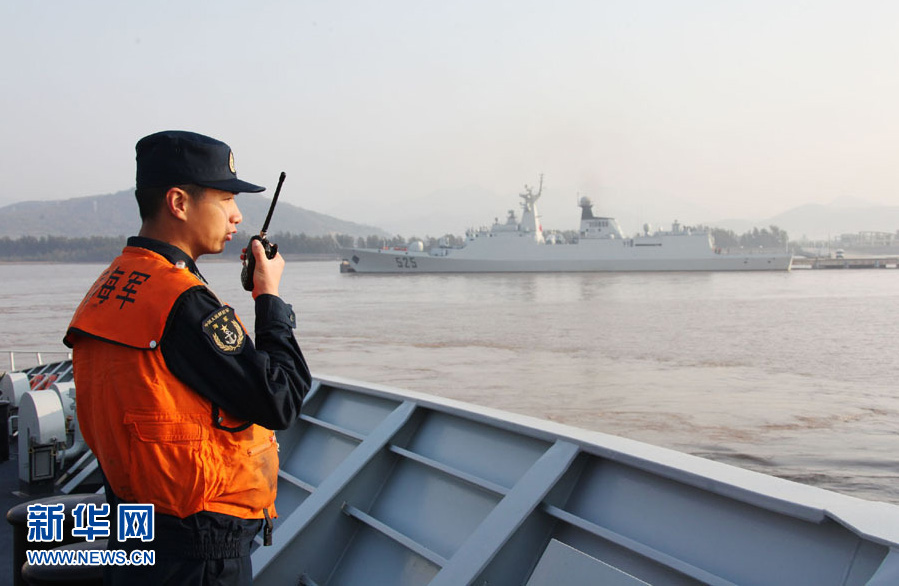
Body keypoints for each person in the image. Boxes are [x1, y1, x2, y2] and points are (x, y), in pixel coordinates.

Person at [63, 130, 312, 585]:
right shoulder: (181, 301)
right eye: (225, 198)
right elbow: (282, 397)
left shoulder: (108, 287)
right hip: (197, 547)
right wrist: (269, 296)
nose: (237, 215)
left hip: (136, 525)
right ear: (179, 202)